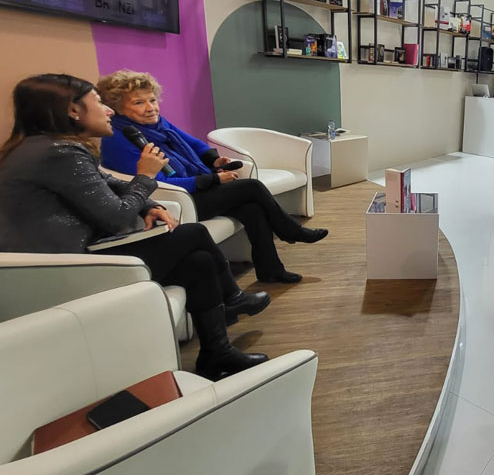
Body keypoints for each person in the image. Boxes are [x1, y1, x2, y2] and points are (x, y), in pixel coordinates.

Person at [0, 74, 270, 380]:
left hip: (74, 256)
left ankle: (216, 353)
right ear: (73, 111)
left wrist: (149, 204)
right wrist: (145, 176)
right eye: (99, 102)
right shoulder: (57, 153)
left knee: (199, 261)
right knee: (194, 234)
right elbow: (115, 217)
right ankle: (232, 300)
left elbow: (109, 183)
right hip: (68, 268)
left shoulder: (47, 147)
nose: (109, 111)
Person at [97, 71, 323, 284]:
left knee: (252, 208)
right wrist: (212, 180)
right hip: (175, 200)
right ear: (116, 107)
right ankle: (290, 230)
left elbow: (194, 144)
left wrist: (213, 161)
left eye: (152, 100)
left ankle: (271, 270)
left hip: (195, 190)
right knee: (251, 187)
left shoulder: (159, 124)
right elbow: (155, 184)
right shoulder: (119, 138)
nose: (150, 108)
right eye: (139, 102)